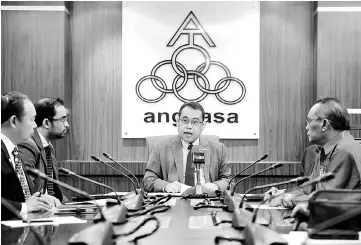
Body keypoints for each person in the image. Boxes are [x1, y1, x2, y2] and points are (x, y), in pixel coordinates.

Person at [264, 97, 361, 207]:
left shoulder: (345, 150)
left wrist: (288, 199)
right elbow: (308, 187)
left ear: (324, 124)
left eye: (309, 121)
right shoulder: (325, 149)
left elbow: (323, 199)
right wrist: (282, 193)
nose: (306, 127)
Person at [143, 102, 232, 193]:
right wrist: (166, 186)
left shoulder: (218, 148)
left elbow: (229, 180)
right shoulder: (161, 147)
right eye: (185, 121)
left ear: (203, 125)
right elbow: (148, 179)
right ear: (177, 122)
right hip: (175, 199)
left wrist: (215, 186)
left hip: (207, 200)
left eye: (195, 122)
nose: (189, 126)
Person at [1, 92, 52, 220]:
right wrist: (25, 207)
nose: (35, 125)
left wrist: (39, 200)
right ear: (14, 121)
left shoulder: (14, 152)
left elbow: (19, 195)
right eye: (32, 119)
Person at [18, 98, 69, 205]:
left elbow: (54, 190)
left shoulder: (48, 146)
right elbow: (24, 188)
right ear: (46, 123)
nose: (67, 125)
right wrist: (46, 199)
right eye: (63, 119)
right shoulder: (28, 145)